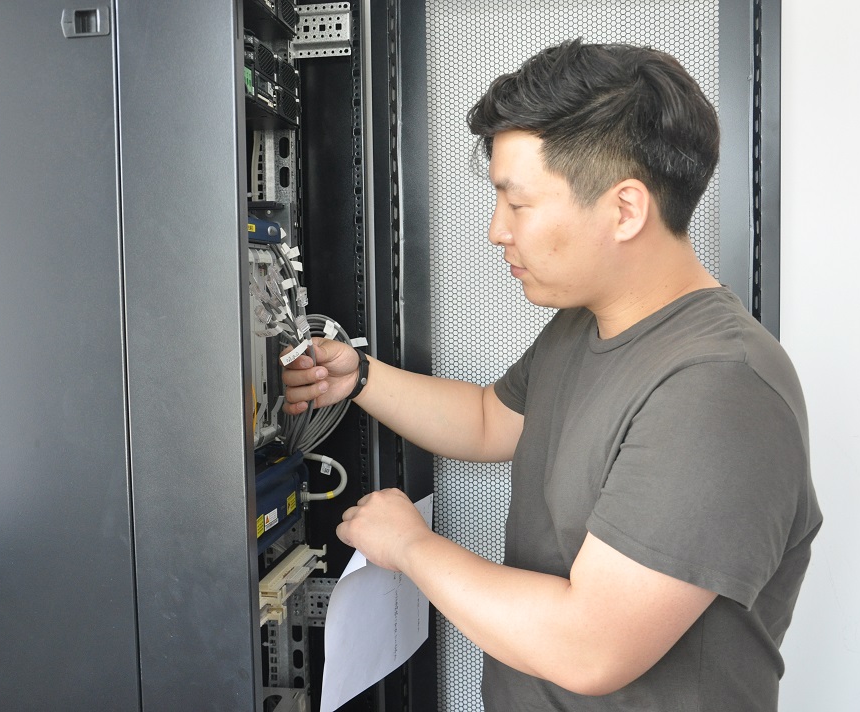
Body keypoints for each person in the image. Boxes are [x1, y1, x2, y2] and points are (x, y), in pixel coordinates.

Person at [283, 39, 821, 711]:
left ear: (625, 210)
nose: (496, 231)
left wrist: (411, 547)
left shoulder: (719, 387)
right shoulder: (583, 323)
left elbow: (589, 647)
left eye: (518, 204)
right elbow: (489, 420)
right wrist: (358, 378)